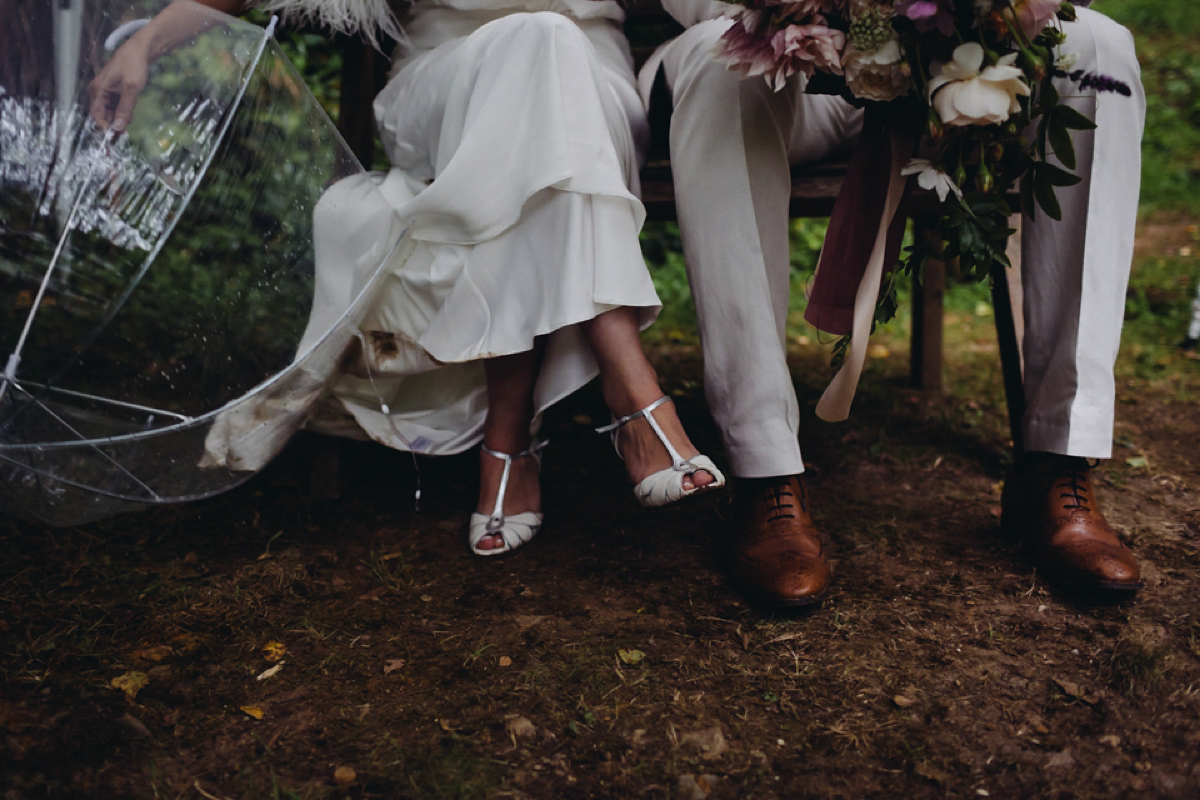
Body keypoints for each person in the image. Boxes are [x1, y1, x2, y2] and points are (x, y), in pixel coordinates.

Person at [89, 0, 725, 556]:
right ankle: (631, 393)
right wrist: (147, 41)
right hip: (442, 77)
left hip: (591, 82)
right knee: (538, 43)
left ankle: (508, 439)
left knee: (551, 51)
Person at [639, 0, 1145, 606]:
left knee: (1100, 46)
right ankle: (764, 465)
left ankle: (1058, 459)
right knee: (718, 58)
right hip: (791, 71)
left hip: (948, 61)